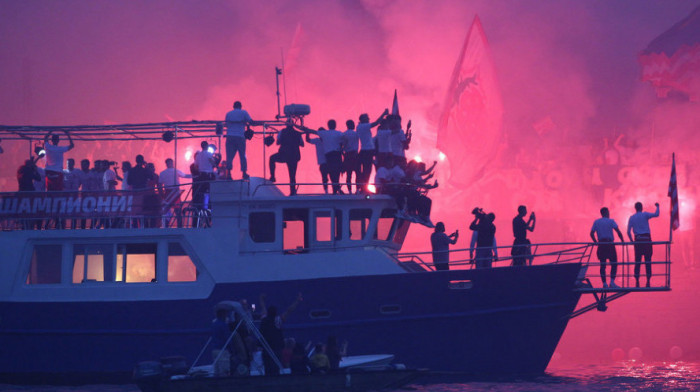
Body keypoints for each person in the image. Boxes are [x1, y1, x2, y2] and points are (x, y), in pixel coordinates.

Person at [627, 201, 660, 287]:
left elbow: (628, 231)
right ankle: (648, 280)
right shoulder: (645, 214)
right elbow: (656, 214)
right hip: (647, 240)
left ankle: (637, 280)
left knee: (637, 261)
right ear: (641, 208)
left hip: (637, 240)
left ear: (635, 208)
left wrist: (631, 241)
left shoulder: (632, 217)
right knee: (648, 260)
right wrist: (657, 206)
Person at [590, 207, 625, 289]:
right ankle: (612, 282)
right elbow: (618, 231)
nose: (609, 213)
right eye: (608, 212)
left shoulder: (596, 222)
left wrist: (596, 242)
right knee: (614, 263)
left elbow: (591, 233)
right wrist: (622, 241)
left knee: (603, 265)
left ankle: (604, 283)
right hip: (610, 244)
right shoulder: (611, 221)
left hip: (601, 244)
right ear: (606, 213)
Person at [356, 109, 388, 193]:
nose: (368, 120)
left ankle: (363, 187)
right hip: (367, 151)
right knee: (367, 170)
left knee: (366, 171)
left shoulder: (360, 127)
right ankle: (363, 188)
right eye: (367, 118)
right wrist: (383, 114)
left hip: (366, 151)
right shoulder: (363, 126)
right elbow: (376, 123)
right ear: (363, 119)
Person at [224, 101, 257, 180]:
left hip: (230, 136)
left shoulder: (228, 114)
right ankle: (244, 173)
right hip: (240, 136)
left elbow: (226, 125)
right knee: (242, 155)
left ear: (233, 106)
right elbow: (251, 121)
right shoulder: (244, 113)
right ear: (240, 106)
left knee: (229, 156)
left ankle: (228, 173)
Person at [268, 124, 304, 195]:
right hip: (294, 156)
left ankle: (272, 176)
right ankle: (292, 192)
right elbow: (302, 144)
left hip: (284, 154)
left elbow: (278, 142)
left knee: (272, 158)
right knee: (292, 175)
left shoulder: (282, 131)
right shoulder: (298, 133)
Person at [305, 129, 330, 194]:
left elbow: (308, 140)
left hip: (327, 162)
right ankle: (327, 191)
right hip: (324, 163)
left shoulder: (320, 140)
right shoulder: (317, 140)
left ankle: (332, 190)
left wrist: (308, 132)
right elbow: (308, 140)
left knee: (329, 177)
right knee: (325, 178)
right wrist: (307, 133)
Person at [211, 308, 231, 377]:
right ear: (223, 314)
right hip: (222, 350)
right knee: (224, 371)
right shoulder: (224, 325)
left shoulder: (214, 324)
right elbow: (227, 338)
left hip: (214, 349)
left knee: (217, 371)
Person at [341, 120, 360, 194]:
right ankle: (358, 189)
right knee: (358, 173)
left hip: (347, 156)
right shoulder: (356, 134)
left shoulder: (344, 134)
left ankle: (349, 191)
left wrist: (343, 154)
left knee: (349, 174)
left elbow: (342, 145)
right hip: (355, 155)